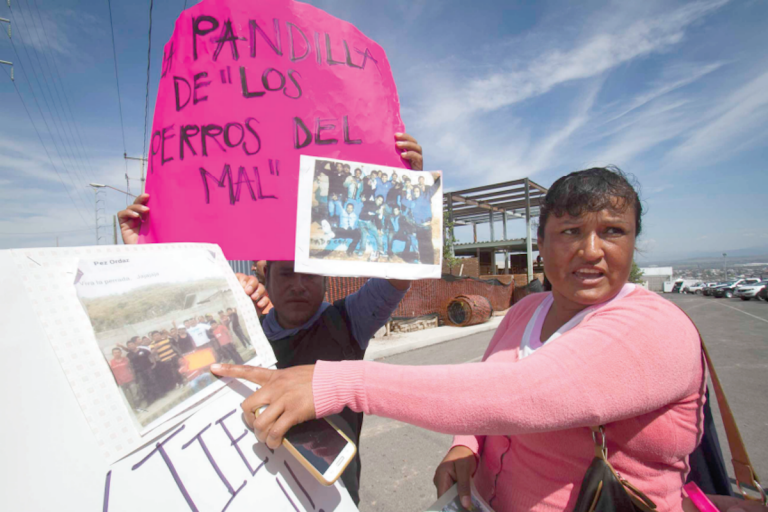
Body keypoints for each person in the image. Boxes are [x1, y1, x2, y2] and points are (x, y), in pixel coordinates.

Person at [213, 167, 707, 512]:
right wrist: (465, 445)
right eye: (571, 230)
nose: (591, 250)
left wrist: (337, 384)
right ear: (541, 243)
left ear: (635, 241)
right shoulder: (529, 309)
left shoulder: (653, 327)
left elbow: (527, 393)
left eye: (614, 231)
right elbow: (486, 388)